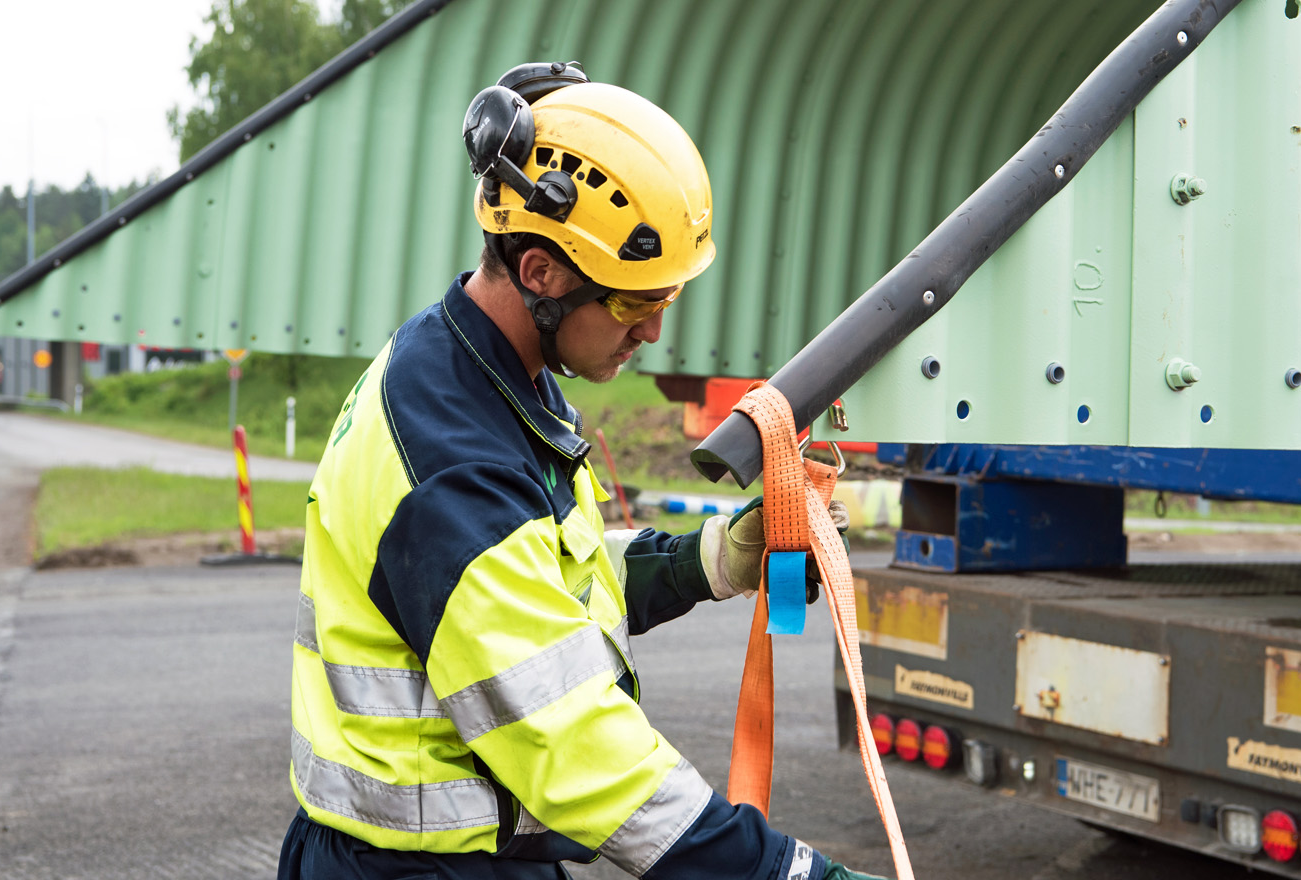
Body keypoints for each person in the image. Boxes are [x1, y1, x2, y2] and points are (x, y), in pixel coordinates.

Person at [276, 66, 883, 880]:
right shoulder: (453, 462)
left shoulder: (484, 375)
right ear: (540, 273)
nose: (655, 331)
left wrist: (714, 560)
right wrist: (787, 874)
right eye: (635, 303)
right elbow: (574, 743)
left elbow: (554, 579)